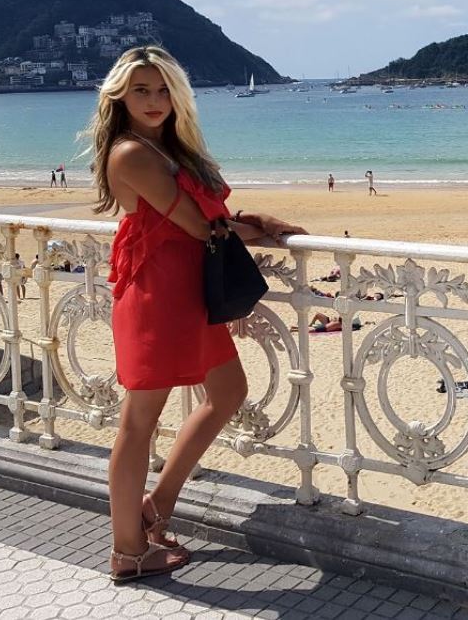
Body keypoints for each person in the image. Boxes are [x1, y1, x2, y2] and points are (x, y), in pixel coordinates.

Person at [87, 45, 307, 582]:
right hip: (158, 297)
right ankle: (127, 551)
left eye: (164, 90)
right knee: (138, 423)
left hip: (188, 293)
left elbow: (210, 218)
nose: (154, 100)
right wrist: (258, 224)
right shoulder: (130, 153)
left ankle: (157, 506)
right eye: (141, 90)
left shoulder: (167, 148)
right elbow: (199, 225)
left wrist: (251, 220)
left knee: (228, 392)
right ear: (119, 96)